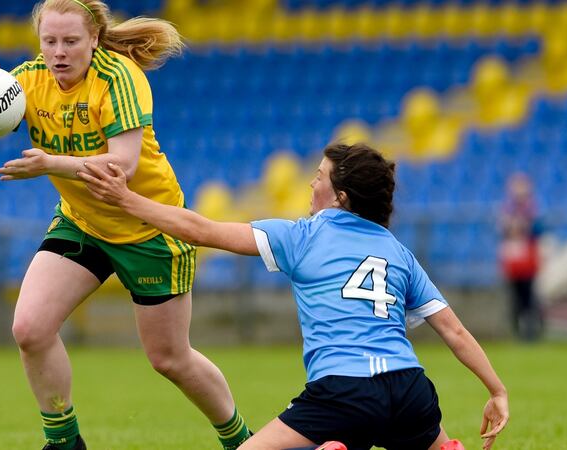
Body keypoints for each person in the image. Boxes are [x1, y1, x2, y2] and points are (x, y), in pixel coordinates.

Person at [0, 1, 252, 449]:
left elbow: (121, 167)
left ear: (94, 39)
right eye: (49, 41)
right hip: (83, 222)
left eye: (71, 41)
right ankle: (65, 442)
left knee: (169, 358)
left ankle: (242, 440)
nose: (59, 52)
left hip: (150, 227)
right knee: (29, 329)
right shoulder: (27, 80)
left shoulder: (120, 77)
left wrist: (51, 163)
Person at [79, 142, 510, 450]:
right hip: (409, 389)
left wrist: (126, 200)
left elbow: (201, 230)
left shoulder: (302, 235)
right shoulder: (398, 251)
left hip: (343, 391)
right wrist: (496, 391)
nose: (311, 182)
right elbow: (453, 331)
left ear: (339, 197)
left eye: (319, 177)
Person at [498, 172, 543, 341]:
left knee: (529, 297)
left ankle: (532, 331)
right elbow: (503, 231)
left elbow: (536, 231)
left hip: (528, 260)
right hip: (514, 261)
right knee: (515, 298)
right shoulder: (507, 209)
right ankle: (518, 331)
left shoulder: (532, 209)